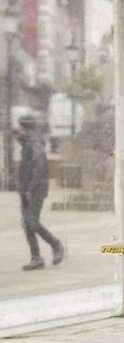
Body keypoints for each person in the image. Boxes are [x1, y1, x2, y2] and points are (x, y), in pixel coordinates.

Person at [17, 114, 63, 271]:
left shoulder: (34, 143)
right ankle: (36, 258)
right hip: (27, 189)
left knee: (31, 222)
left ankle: (55, 244)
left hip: (34, 190)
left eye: (21, 127)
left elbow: (39, 167)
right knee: (27, 224)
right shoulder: (28, 142)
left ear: (25, 127)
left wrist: (30, 189)